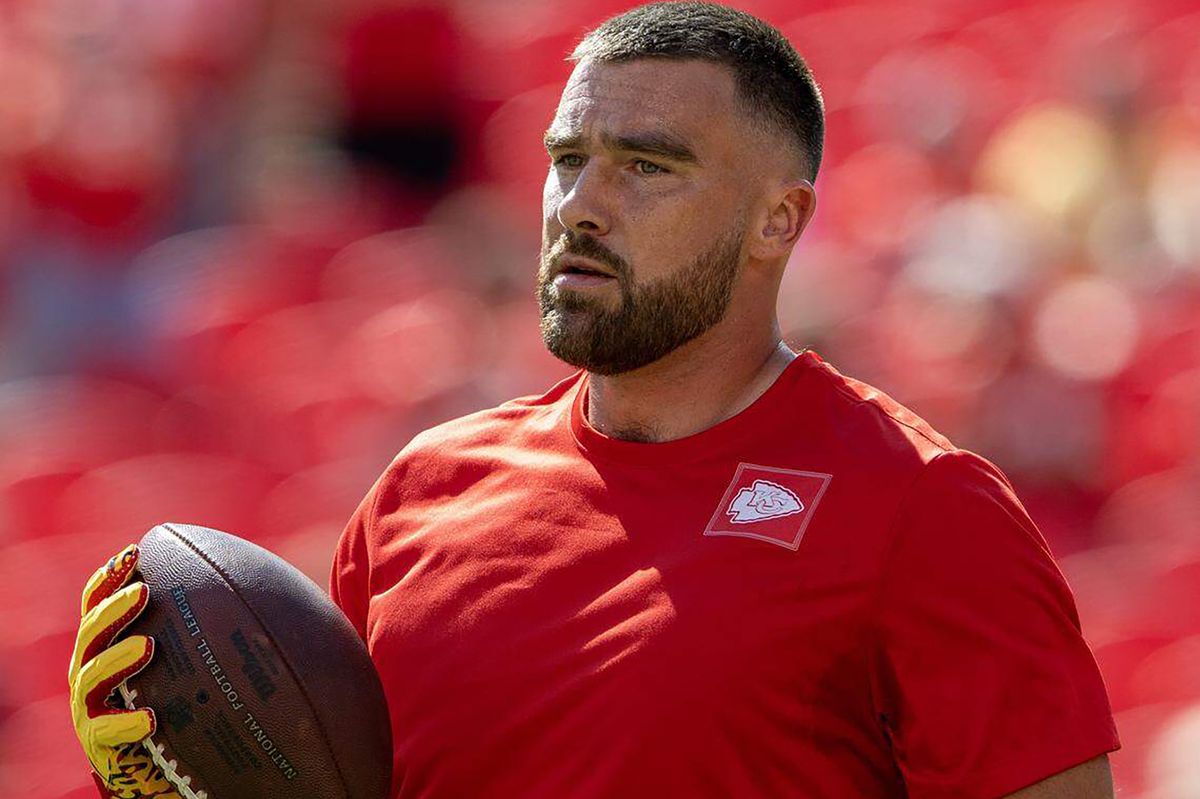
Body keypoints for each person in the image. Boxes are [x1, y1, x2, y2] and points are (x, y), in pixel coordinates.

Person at [69, 2, 1120, 797]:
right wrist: (191, 768)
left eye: (647, 167)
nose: (581, 205)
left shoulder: (923, 506)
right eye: (567, 160)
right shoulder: (422, 491)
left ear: (779, 220)